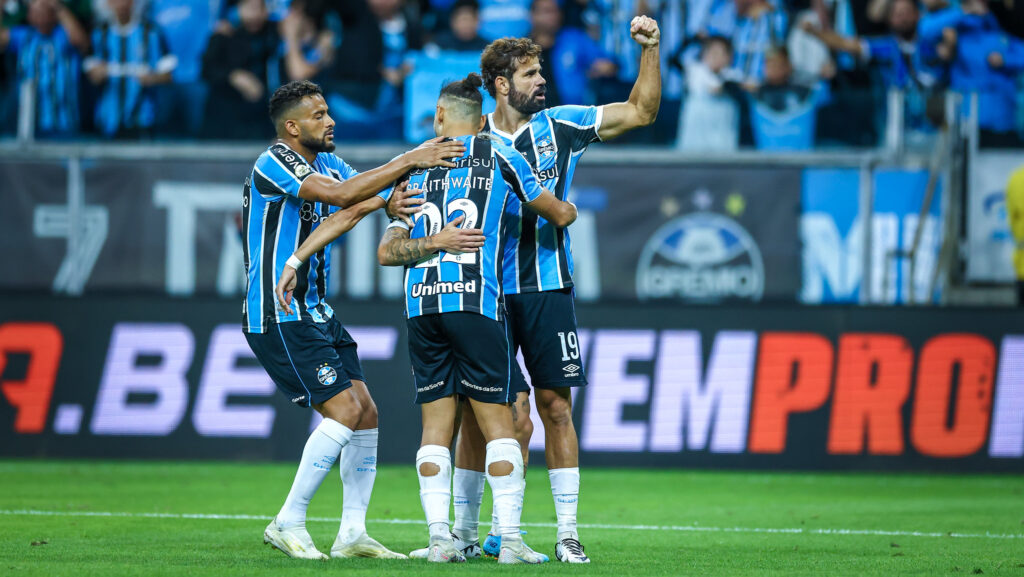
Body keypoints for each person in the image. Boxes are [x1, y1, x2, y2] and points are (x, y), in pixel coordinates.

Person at [277, 73, 577, 564]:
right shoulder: (502, 155)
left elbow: (387, 252)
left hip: (422, 309)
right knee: (500, 424)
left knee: (436, 427)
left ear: (438, 117)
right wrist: (569, 209)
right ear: (482, 121)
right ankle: (511, 540)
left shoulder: (411, 170)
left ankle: (442, 539)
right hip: (477, 305)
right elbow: (554, 212)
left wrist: (431, 243)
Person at [447, 16, 661, 565]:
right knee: (489, 413)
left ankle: (566, 532)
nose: (541, 81)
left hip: (547, 287)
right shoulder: (469, 139)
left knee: (554, 408)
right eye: (529, 73)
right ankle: (470, 531)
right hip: (485, 292)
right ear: (500, 84)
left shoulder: (562, 124)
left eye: (540, 71)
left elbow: (641, 111)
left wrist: (650, 51)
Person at [241, 79, 465, 560]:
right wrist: (408, 161)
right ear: (293, 126)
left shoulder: (325, 162)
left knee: (365, 413)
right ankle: (288, 521)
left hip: (314, 308)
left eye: (328, 112)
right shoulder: (275, 161)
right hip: (278, 313)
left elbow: (357, 197)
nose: (331, 121)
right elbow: (346, 197)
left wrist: (390, 191)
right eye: (319, 115)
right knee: (343, 411)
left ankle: (352, 533)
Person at [84, 0, 177, 138]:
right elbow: (91, 74)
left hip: (143, 122)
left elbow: (169, 75)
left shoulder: (152, 32)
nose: (122, 4)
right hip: (107, 122)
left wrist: (151, 78)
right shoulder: (99, 33)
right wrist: (99, 74)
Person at [0, 0, 89, 137]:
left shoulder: (63, 35)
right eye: (34, 10)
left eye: (43, 10)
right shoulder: (24, 36)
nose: (39, 14)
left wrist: (57, 6)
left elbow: (81, 41)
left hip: (64, 123)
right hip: (29, 123)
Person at [200, 0, 280, 140]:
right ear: (237, 9)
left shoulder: (273, 34)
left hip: (261, 118)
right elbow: (206, 70)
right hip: (225, 119)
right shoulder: (224, 35)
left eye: (260, 7)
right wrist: (234, 76)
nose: (256, 13)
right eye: (250, 7)